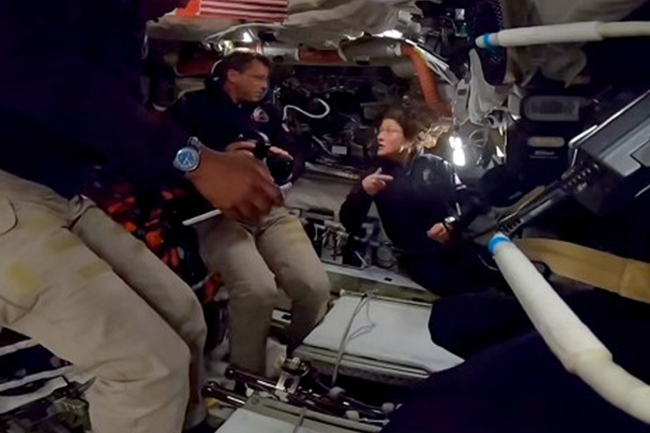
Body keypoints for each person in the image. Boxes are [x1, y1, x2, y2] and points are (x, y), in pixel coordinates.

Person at [0, 1, 282, 433]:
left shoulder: (119, 24)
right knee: (146, 370)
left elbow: (116, 127)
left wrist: (202, 167)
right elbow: (45, 79)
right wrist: (194, 160)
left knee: (184, 320)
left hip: (55, 189)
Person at [171, 51, 331, 376]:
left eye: (266, 79)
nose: (264, 85)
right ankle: (247, 376)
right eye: (258, 77)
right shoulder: (193, 106)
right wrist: (215, 160)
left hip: (269, 211)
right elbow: (171, 155)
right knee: (257, 291)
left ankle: (301, 366)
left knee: (314, 287)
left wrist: (285, 166)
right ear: (233, 75)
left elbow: (295, 153)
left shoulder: (266, 113)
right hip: (217, 213)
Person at [339, 106, 496, 296]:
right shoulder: (375, 174)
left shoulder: (436, 165)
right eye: (380, 131)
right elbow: (348, 222)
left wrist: (452, 223)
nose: (380, 137)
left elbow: (469, 200)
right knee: (468, 293)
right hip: (418, 259)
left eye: (389, 131)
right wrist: (363, 192)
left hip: (455, 248)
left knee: (498, 278)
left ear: (410, 138)